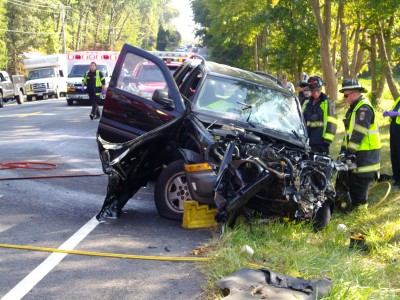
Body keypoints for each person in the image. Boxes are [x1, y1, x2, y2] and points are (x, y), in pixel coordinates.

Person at [338, 79, 381, 209]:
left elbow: (358, 134)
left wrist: (349, 153)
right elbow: (348, 136)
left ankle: (360, 214)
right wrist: (343, 151)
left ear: (355, 93)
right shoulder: (354, 109)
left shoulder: (363, 109)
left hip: (366, 157)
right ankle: (353, 208)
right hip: (359, 156)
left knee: (359, 190)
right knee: (352, 186)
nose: (345, 99)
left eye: (346, 95)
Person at [302, 76, 337, 154]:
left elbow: (332, 122)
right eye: (313, 91)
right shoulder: (308, 104)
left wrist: (327, 141)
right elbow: (303, 121)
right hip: (309, 141)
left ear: (321, 89)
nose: (316, 93)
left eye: (318, 90)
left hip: (321, 143)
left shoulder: (327, 104)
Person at [383, 95, 400, 188]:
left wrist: (397, 114)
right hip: (394, 128)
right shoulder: (399, 98)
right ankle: (397, 178)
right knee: (394, 154)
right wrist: (389, 113)